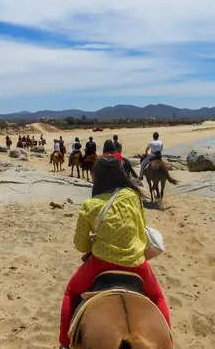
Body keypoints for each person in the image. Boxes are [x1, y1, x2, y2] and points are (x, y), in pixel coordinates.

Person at [58, 149, 171, 348]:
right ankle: (169, 341)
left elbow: (80, 245)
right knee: (158, 296)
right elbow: (141, 228)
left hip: (100, 263)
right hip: (136, 264)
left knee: (70, 291)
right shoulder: (132, 196)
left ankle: (64, 344)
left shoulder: (90, 204)